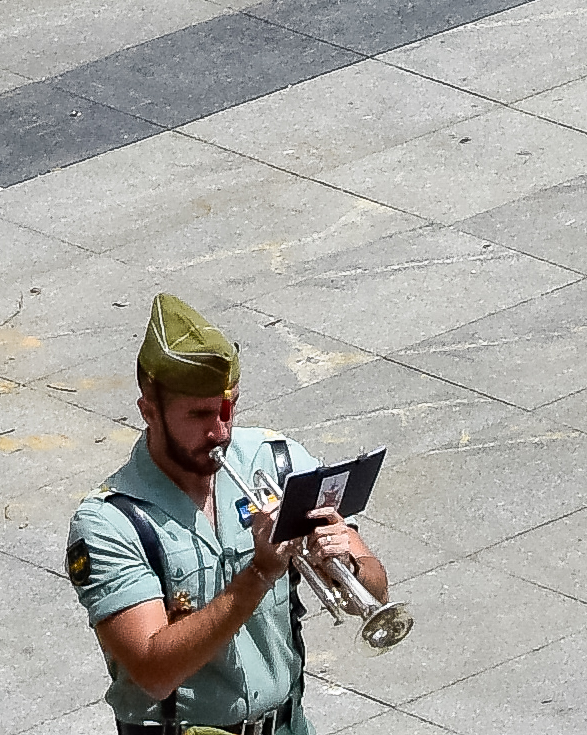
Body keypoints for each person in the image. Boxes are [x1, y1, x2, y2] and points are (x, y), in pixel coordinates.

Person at [68, 297, 387, 735]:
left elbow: (376, 585)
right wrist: (259, 572)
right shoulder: (111, 522)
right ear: (149, 412)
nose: (220, 430)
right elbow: (154, 672)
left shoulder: (276, 461)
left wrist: (344, 563)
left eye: (228, 407)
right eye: (199, 415)